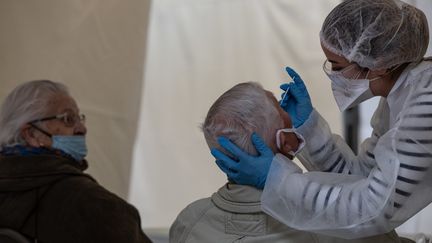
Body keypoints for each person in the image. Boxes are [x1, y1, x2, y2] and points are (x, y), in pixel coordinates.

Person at [212, 0, 432, 239]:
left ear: (378, 66)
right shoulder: (400, 96)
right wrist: (308, 130)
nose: (333, 75)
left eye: (337, 66)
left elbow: (372, 209)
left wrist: (275, 179)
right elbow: (364, 177)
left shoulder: (425, 103)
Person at [170, 82, 407, 243]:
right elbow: (379, 229)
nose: (294, 122)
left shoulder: (189, 222)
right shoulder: (332, 226)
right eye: (286, 118)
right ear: (284, 140)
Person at [0, 80, 152, 242]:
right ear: (32, 134)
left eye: (79, 118)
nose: (82, 128)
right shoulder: (92, 203)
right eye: (68, 119)